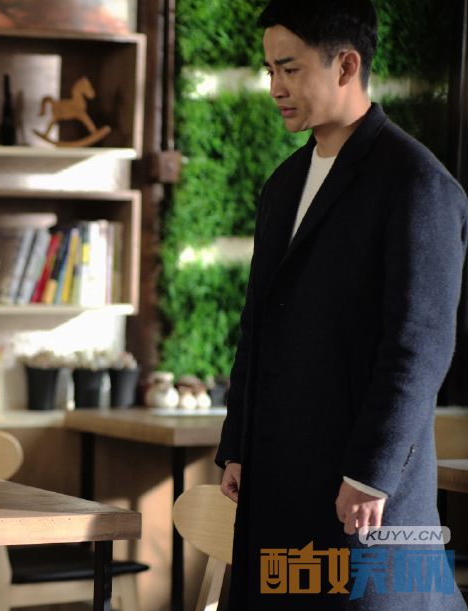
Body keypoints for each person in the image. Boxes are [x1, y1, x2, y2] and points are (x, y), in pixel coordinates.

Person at [215, 0, 468, 609]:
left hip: (363, 502)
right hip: (275, 488)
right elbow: (258, 327)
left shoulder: (417, 184)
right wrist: (237, 445)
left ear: (347, 65)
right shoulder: (282, 185)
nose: (274, 87)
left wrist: (369, 473)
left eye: (290, 69)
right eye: (270, 70)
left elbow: (418, 347)